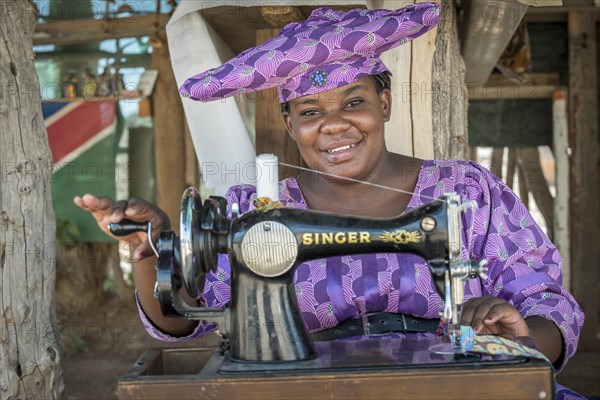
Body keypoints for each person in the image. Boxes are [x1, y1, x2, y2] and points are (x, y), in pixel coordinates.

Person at [74, 3, 584, 398]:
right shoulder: (253, 212)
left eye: (355, 102)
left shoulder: (467, 192)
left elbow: (550, 307)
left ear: (383, 102)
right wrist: (157, 250)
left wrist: (522, 337)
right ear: (291, 124)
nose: (334, 125)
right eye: (311, 111)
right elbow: (181, 323)